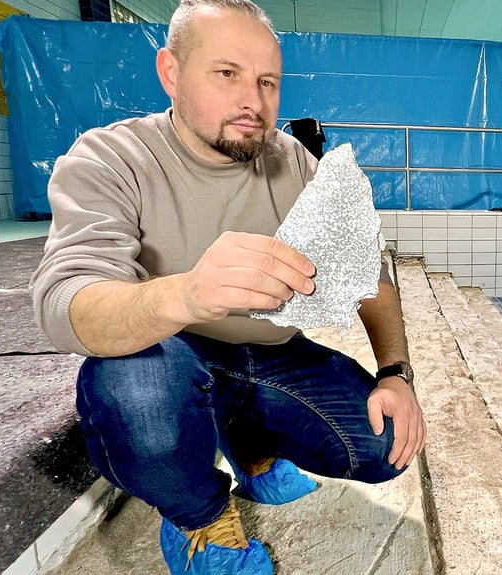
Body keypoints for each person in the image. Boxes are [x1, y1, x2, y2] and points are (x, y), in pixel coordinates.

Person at [30, 1, 426, 573]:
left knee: (383, 443)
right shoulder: (110, 157)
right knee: (133, 390)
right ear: (171, 72)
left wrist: (396, 373)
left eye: (268, 81)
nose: (253, 100)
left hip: (269, 353)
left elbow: (373, 276)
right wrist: (186, 294)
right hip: (168, 354)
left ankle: (250, 447)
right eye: (226, 73)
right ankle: (200, 516)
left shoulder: (294, 163)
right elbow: (65, 304)